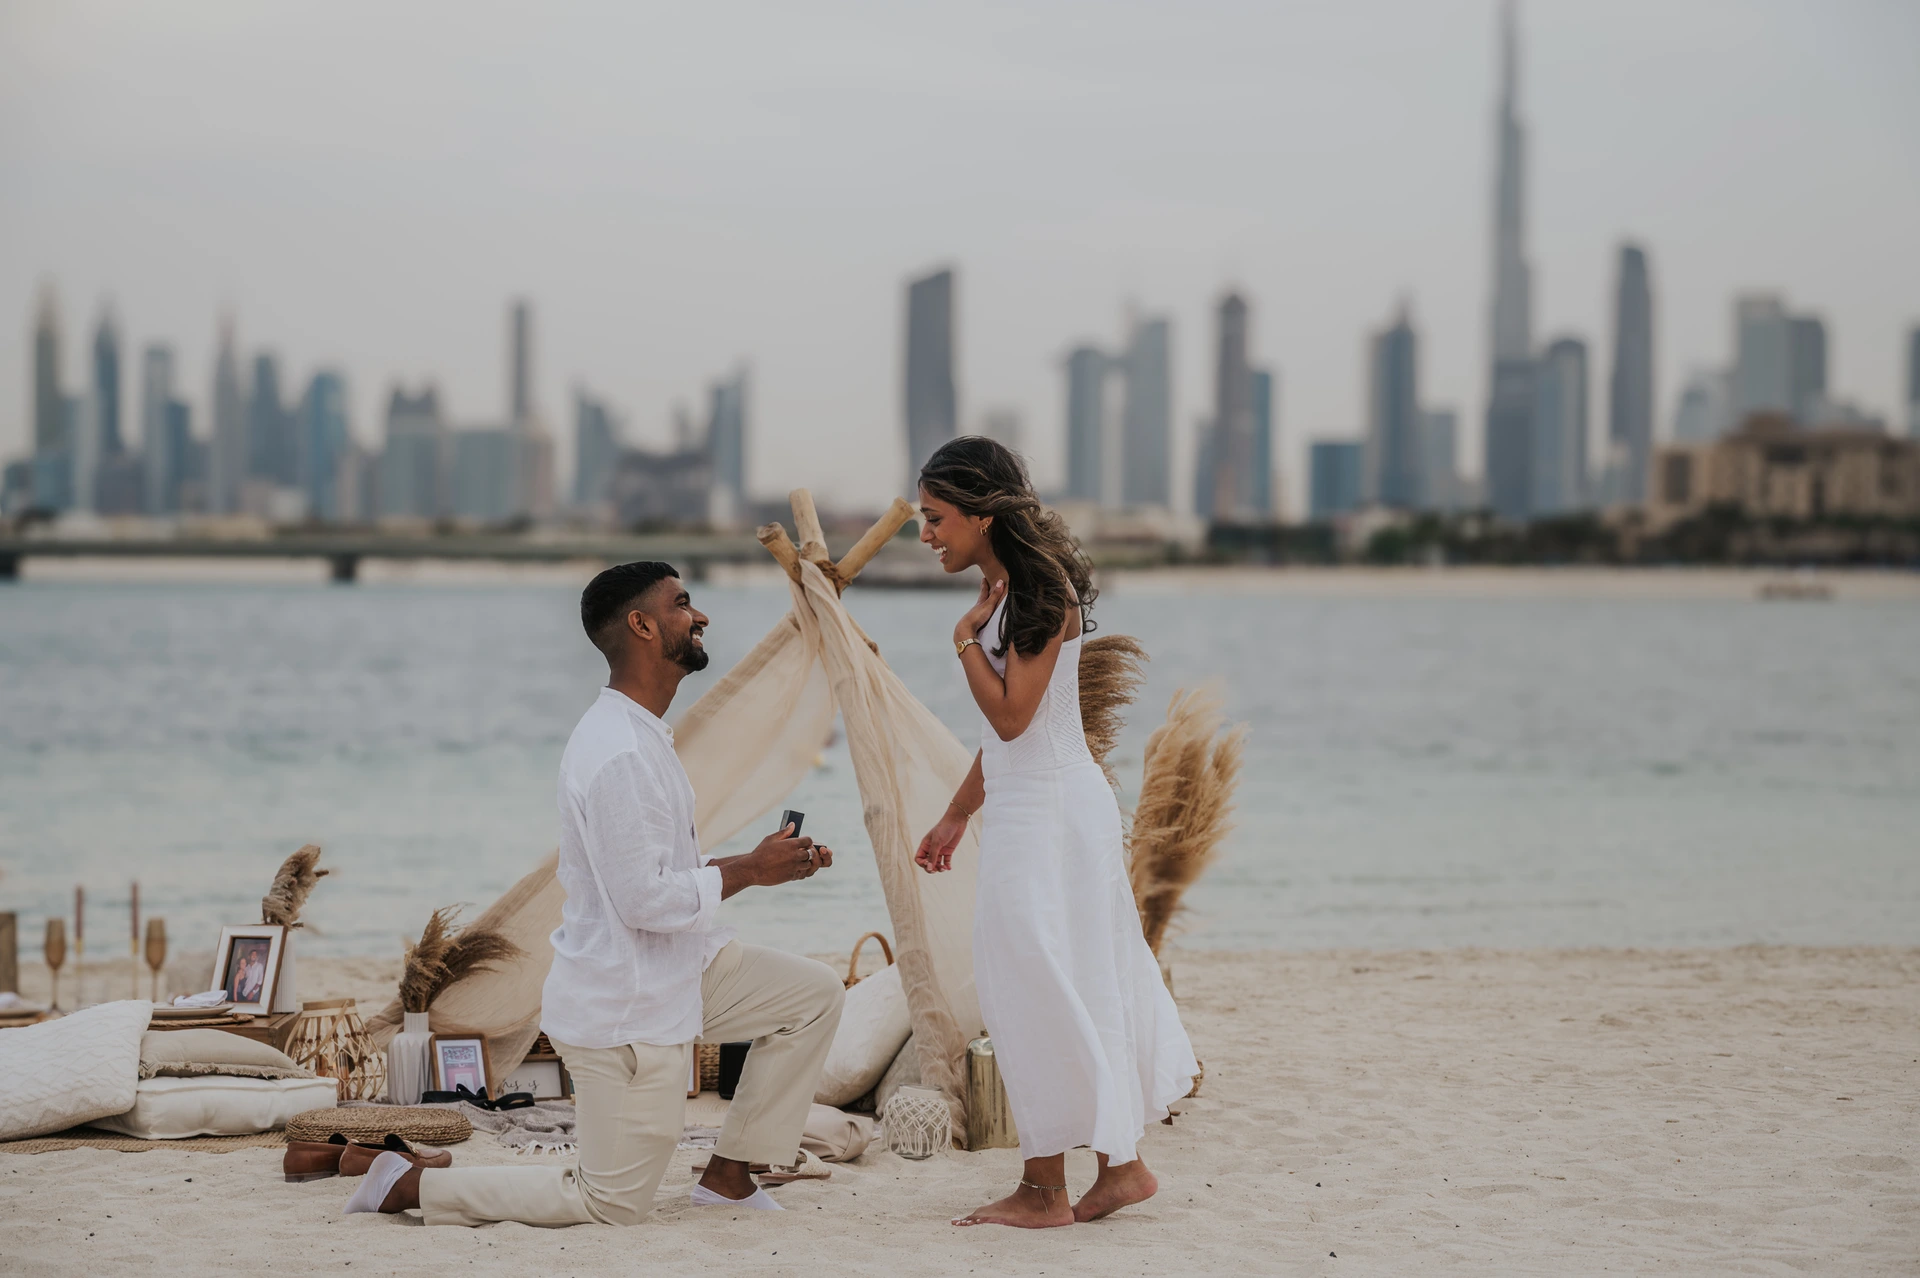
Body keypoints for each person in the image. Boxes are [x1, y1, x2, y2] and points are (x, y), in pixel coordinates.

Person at [348, 561, 846, 1224]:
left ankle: (729, 1175)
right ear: (641, 625)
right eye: (682, 604)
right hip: (626, 1011)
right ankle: (406, 1186)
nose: (700, 617)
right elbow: (642, 901)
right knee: (609, 1201)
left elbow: (662, 873)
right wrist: (748, 871)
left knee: (811, 997)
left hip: (682, 970)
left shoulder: (644, 736)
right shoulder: (617, 751)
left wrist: (766, 862)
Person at [913, 438, 1198, 1229]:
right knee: (1058, 981)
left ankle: (1046, 1189)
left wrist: (965, 640)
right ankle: (1119, 1166)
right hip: (1033, 803)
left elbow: (1010, 718)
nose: (926, 535)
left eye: (935, 519)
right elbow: (1011, 735)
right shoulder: (1009, 588)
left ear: (981, 513)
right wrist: (958, 812)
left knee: (1032, 985)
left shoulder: (1036, 592)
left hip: (1049, 817)